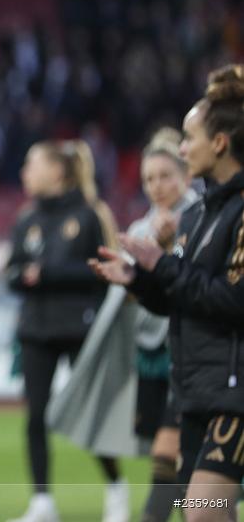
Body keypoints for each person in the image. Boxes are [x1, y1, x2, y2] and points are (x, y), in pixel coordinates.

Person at [92, 64, 244, 522]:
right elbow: (186, 296)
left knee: (202, 512)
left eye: (189, 137)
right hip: (195, 389)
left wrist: (164, 265)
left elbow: (234, 301)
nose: (182, 147)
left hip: (233, 393)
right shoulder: (199, 217)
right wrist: (141, 280)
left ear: (219, 143)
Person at [5, 140, 126, 522]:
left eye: (32, 164)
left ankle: (116, 488)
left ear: (56, 172)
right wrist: (22, 276)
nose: (25, 172)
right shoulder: (27, 218)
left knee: (91, 414)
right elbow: (12, 271)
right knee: (35, 417)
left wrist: (45, 275)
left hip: (80, 328)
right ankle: (42, 503)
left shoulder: (91, 215)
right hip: (36, 330)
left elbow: (105, 272)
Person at [127, 128, 196, 522]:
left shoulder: (204, 218)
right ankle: (216, 505)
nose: (157, 186)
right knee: (171, 453)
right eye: (149, 179)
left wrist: (170, 252)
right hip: (154, 353)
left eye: (165, 176)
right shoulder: (139, 230)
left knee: (169, 450)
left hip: (196, 353)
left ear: (186, 176)